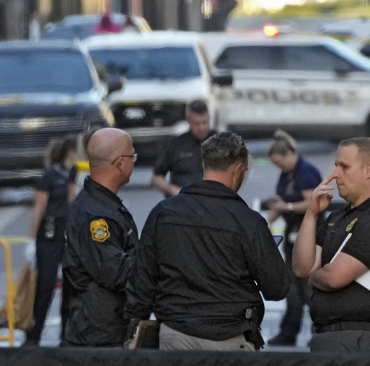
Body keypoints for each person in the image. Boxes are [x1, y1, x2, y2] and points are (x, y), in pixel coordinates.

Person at [126, 131, 292, 351]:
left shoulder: (164, 213)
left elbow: (142, 282)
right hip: (231, 338)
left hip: (175, 335)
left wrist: (131, 334)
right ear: (239, 169)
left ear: (206, 164)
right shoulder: (248, 221)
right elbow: (277, 288)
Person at [292, 137, 370, 353]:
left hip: (359, 340)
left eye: (344, 167)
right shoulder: (336, 217)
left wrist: (314, 276)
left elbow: (333, 278)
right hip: (326, 336)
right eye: (336, 166)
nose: (335, 174)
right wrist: (311, 214)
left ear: (368, 171)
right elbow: (301, 267)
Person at [62, 128, 138, 347]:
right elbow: (115, 272)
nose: (133, 162)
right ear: (120, 163)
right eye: (132, 156)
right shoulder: (95, 215)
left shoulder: (103, 205)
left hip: (108, 327)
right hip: (99, 336)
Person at [265, 130, 322, 347]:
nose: (280, 168)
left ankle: (321, 332)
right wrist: (272, 217)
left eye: (280, 163)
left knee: (309, 285)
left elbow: (312, 203)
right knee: (291, 287)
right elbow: (282, 200)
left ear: (289, 154)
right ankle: (288, 331)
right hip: (292, 232)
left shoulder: (305, 172)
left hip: (309, 233)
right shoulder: (287, 174)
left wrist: (287, 206)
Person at [24, 136, 78, 346]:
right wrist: (31, 239)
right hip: (48, 236)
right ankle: (33, 335)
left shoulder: (73, 174)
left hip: (66, 236)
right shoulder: (50, 176)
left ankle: (66, 336)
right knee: (44, 287)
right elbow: (39, 209)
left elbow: (73, 200)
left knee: (69, 288)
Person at [151, 100, 216, 197]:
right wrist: (173, 190)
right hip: (182, 201)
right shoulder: (176, 145)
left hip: (212, 200)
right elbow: (156, 177)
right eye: (197, 124)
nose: (201, 128)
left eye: (204, 122)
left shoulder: (220, 141)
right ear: (188, 121)